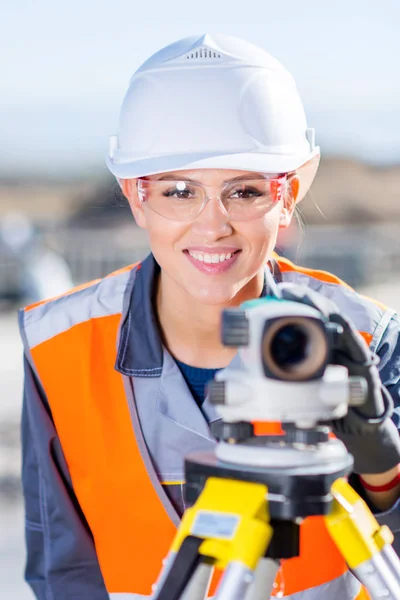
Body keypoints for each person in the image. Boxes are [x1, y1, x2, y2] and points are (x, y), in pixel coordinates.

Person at [19, 34, 400, 600]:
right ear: (134, 194)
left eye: (245, 192)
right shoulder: (58, 346)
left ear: (289, 193)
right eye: (179, 191)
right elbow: (64, 572)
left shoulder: (366, 336)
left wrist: (376, 448)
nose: (212, 225)